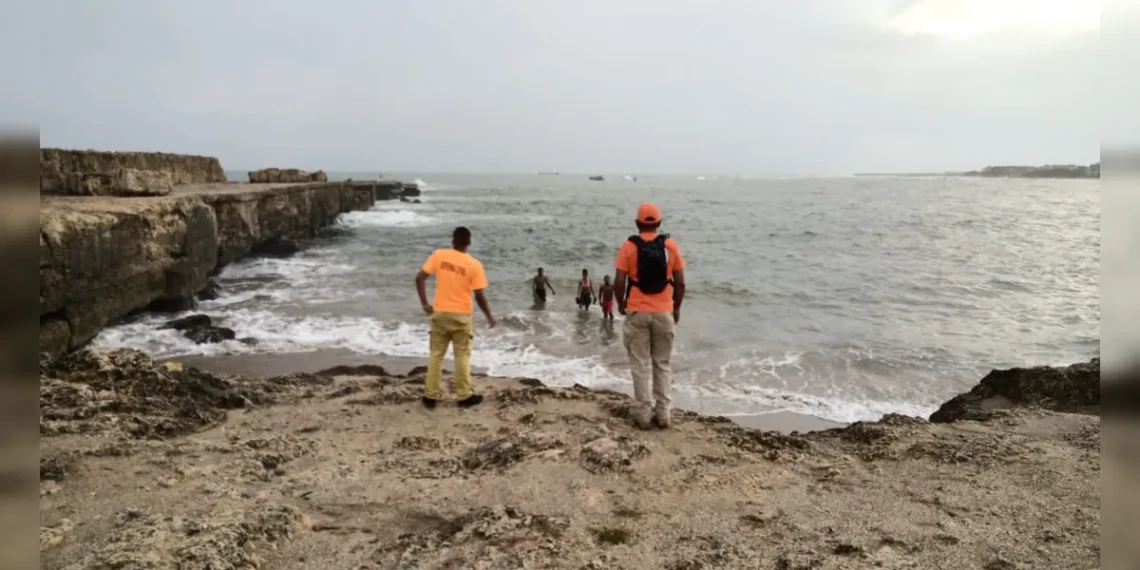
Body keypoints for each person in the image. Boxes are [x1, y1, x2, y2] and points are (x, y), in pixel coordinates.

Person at [613, 203, 686, 429]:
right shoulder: (670, 246)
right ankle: (663, 413)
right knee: (662, 363)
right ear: (659, 224)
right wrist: (676, 308)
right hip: (663, 310)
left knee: (640, 364)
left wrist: (622, 304)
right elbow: (681, 283)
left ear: (637, 223)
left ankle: (643, 413)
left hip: (638, 311)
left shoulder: (628, 246)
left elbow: (618, 281)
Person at [415, 226, 496, 410]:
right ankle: (464, 395)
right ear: (469, 242)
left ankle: (430, 395)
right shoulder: (474, 265)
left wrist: (425, 304)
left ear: (452, 240)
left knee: (436, 355)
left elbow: (420, 278)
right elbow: (479, 297)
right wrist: (489, 316)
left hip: (440, 313)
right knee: (462, 355)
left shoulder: (439, 255)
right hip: (461, 316)